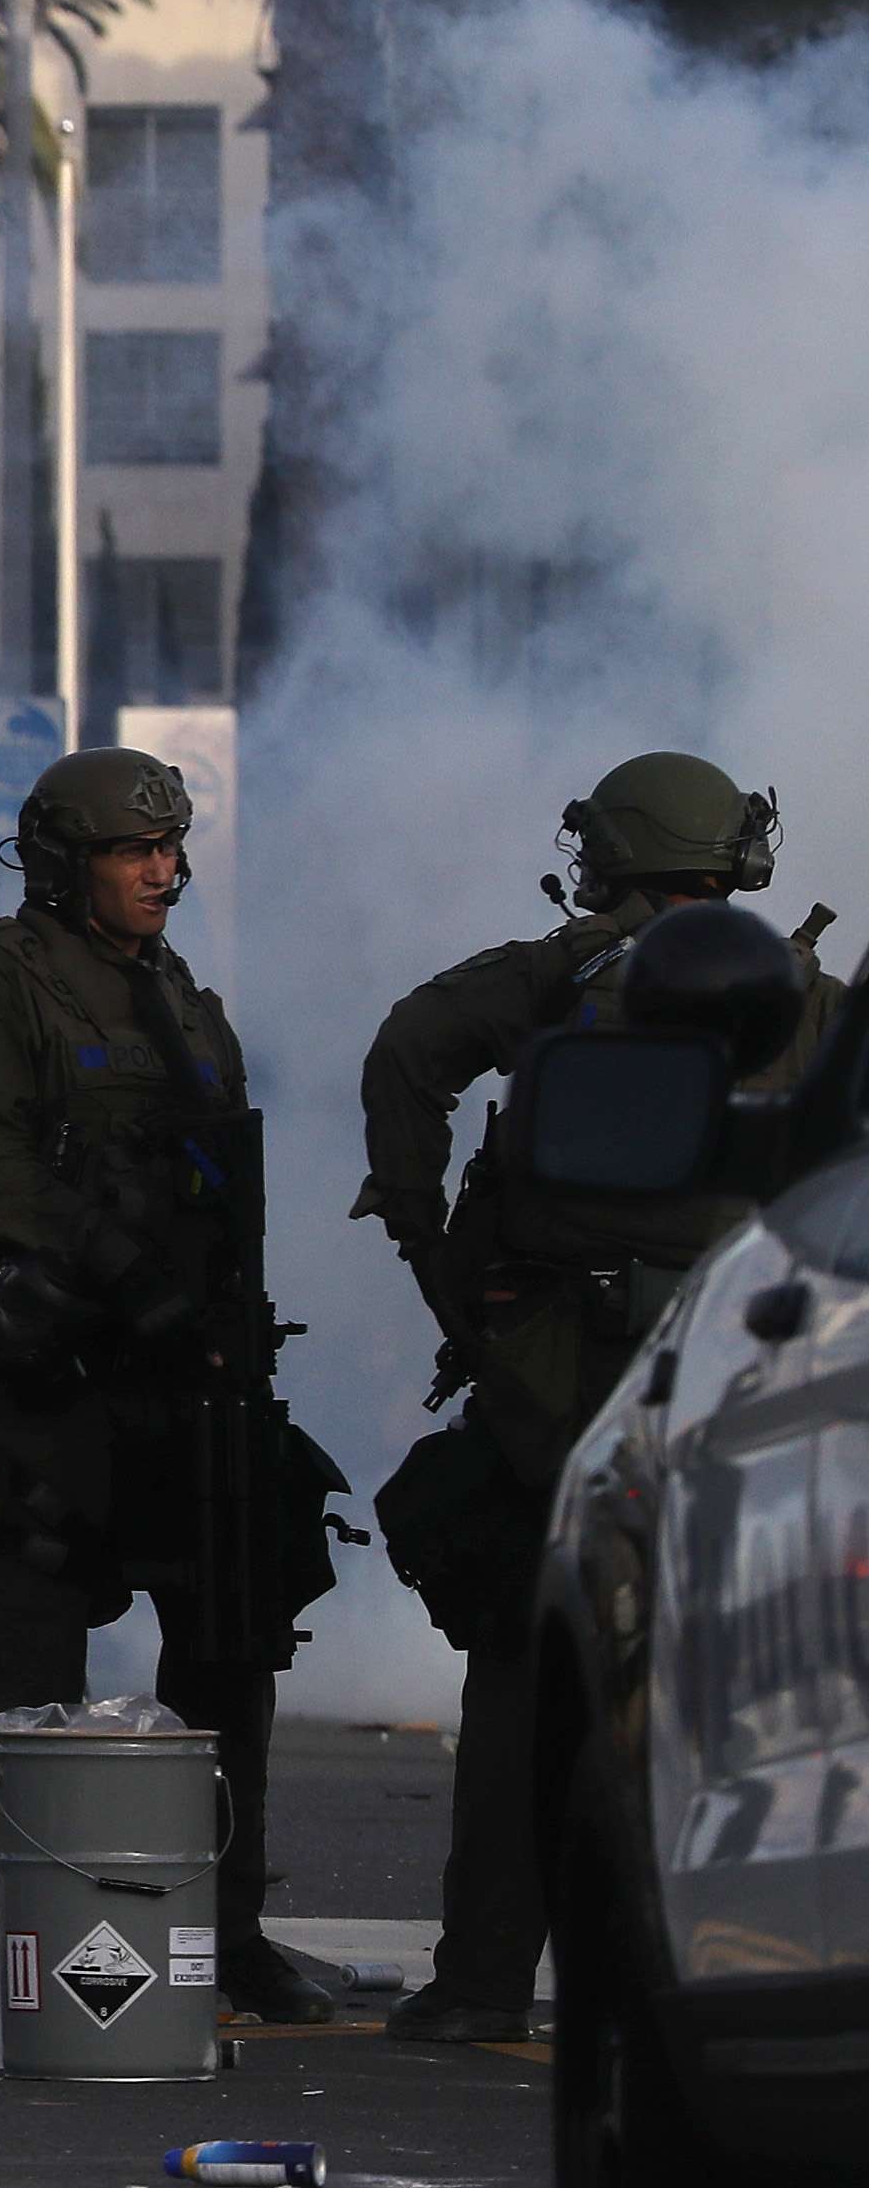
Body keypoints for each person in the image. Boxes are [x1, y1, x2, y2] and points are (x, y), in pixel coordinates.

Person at [352, 757, 827, 2046]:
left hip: (554, 1386)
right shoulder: (804, 995)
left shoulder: (559, 977)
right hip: (739, 1388)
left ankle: (486, 1980)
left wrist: (425, 1240)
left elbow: (408, 1053)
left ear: (612, 850)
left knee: (520, 1674)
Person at [0, 745, 347, 2029]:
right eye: (133, 851)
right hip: (54, 1386)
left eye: (170, 847)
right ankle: (22, 1946)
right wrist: (115, 1272)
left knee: (230, 1652)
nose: (164, 870)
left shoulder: (179, 998)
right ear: (62, 862)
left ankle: (229, 1930)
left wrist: (206, 1312)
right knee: (36, 1681)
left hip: (189, 1385)